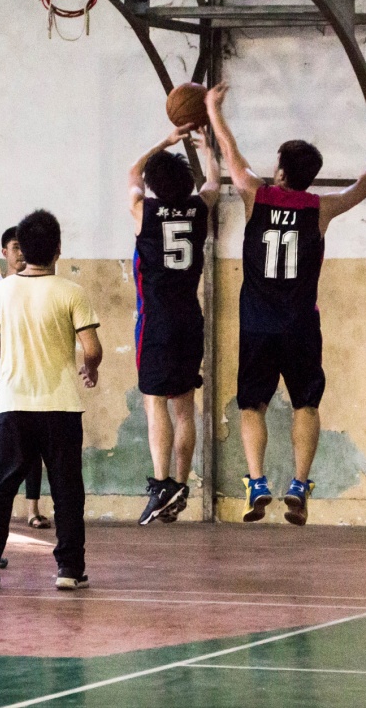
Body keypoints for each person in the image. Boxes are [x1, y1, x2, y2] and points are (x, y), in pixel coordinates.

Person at [205, 82, 366, 525]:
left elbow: (230, 153)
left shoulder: (256, 195)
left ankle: (257, 482)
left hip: (257, 325)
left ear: (280, 172)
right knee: (306, 405)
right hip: (300, 326)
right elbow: (363, 188)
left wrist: (213, 110)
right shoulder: (320, 209)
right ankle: (298, 483)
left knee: (251, 405)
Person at [0, 209, 102, 591]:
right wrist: (90, 368)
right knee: (66, 490)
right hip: (60, 406)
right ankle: (69, 570)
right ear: (58, 249)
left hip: (11, 404)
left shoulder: (1, 291)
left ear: (22, 250)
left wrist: (17, 355)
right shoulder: (71, 292)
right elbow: (92, 348)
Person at [129, 128, 220, 524]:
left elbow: (133, 171)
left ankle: (162, 483)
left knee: (155, 402)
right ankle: (181, 484)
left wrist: (164, 141)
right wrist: (208, 151)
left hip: (157, 320)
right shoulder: (199, 207)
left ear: (153, 186)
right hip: (189, 318)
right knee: (184, 406)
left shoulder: (144, 211)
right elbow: (213, 182)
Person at [0, 227, 50, 529]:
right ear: (4, 252)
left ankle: (33, 508)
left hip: (29, 375)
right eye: (16, 247)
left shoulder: (39, 286)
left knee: (33, 442)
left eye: (24, 247)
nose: (21, 253)